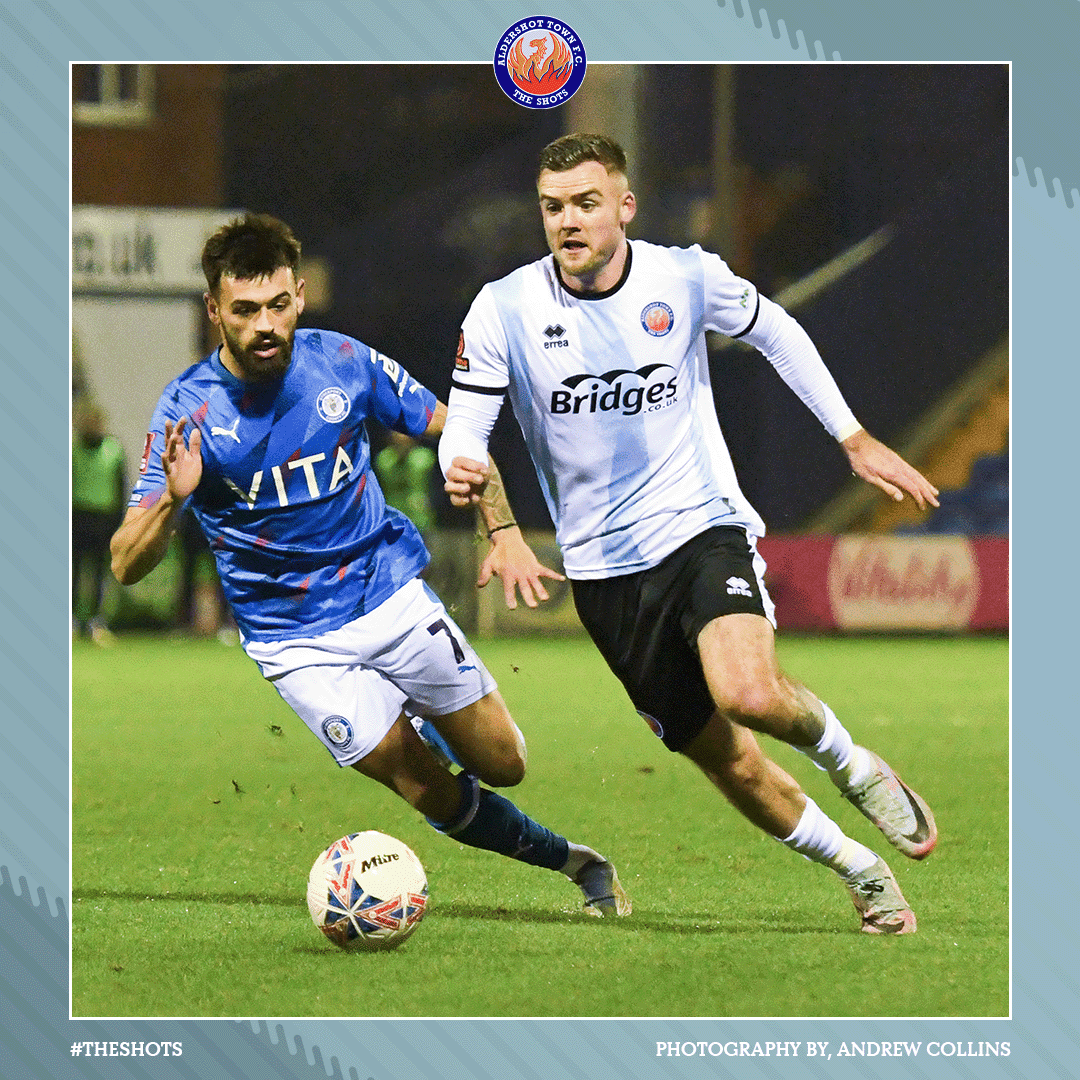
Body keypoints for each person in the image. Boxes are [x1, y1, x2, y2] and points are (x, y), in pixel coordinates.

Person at [439, 133, 941, 935]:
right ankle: (861, 870)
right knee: (728, 760)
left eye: (586, 203)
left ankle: (857, 767)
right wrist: (476, 488)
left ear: (625, 207)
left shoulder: (684, 275)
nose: (568, 221)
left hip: (699, 526)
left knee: (748, 691)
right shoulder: (504, 308)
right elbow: (465, 425)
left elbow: (776, 329)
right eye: (553, 207)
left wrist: (851, 436)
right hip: (603, 575)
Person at [110, 212, 630, 918]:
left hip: (389, 597)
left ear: (298, 294)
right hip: (296, 643)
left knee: (504, 762)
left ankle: (420, 711)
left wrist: (502, 528)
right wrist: (172, 502)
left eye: (277, 305)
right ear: (214, 309)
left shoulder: (346, 363)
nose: (265, 325)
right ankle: (574, 861)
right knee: (424, 786)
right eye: (244, 310)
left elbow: (457, 430)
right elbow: (124, 566)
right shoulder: (188, 411)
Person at [72, 398, 126, 643]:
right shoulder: (72, 449)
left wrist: (120, 521)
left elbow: (120, 486)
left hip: (104, 518)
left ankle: (96, 621)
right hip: (76, 515)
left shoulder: (113, 450)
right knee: (72, 573)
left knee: (99, 572)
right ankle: (72, 620)